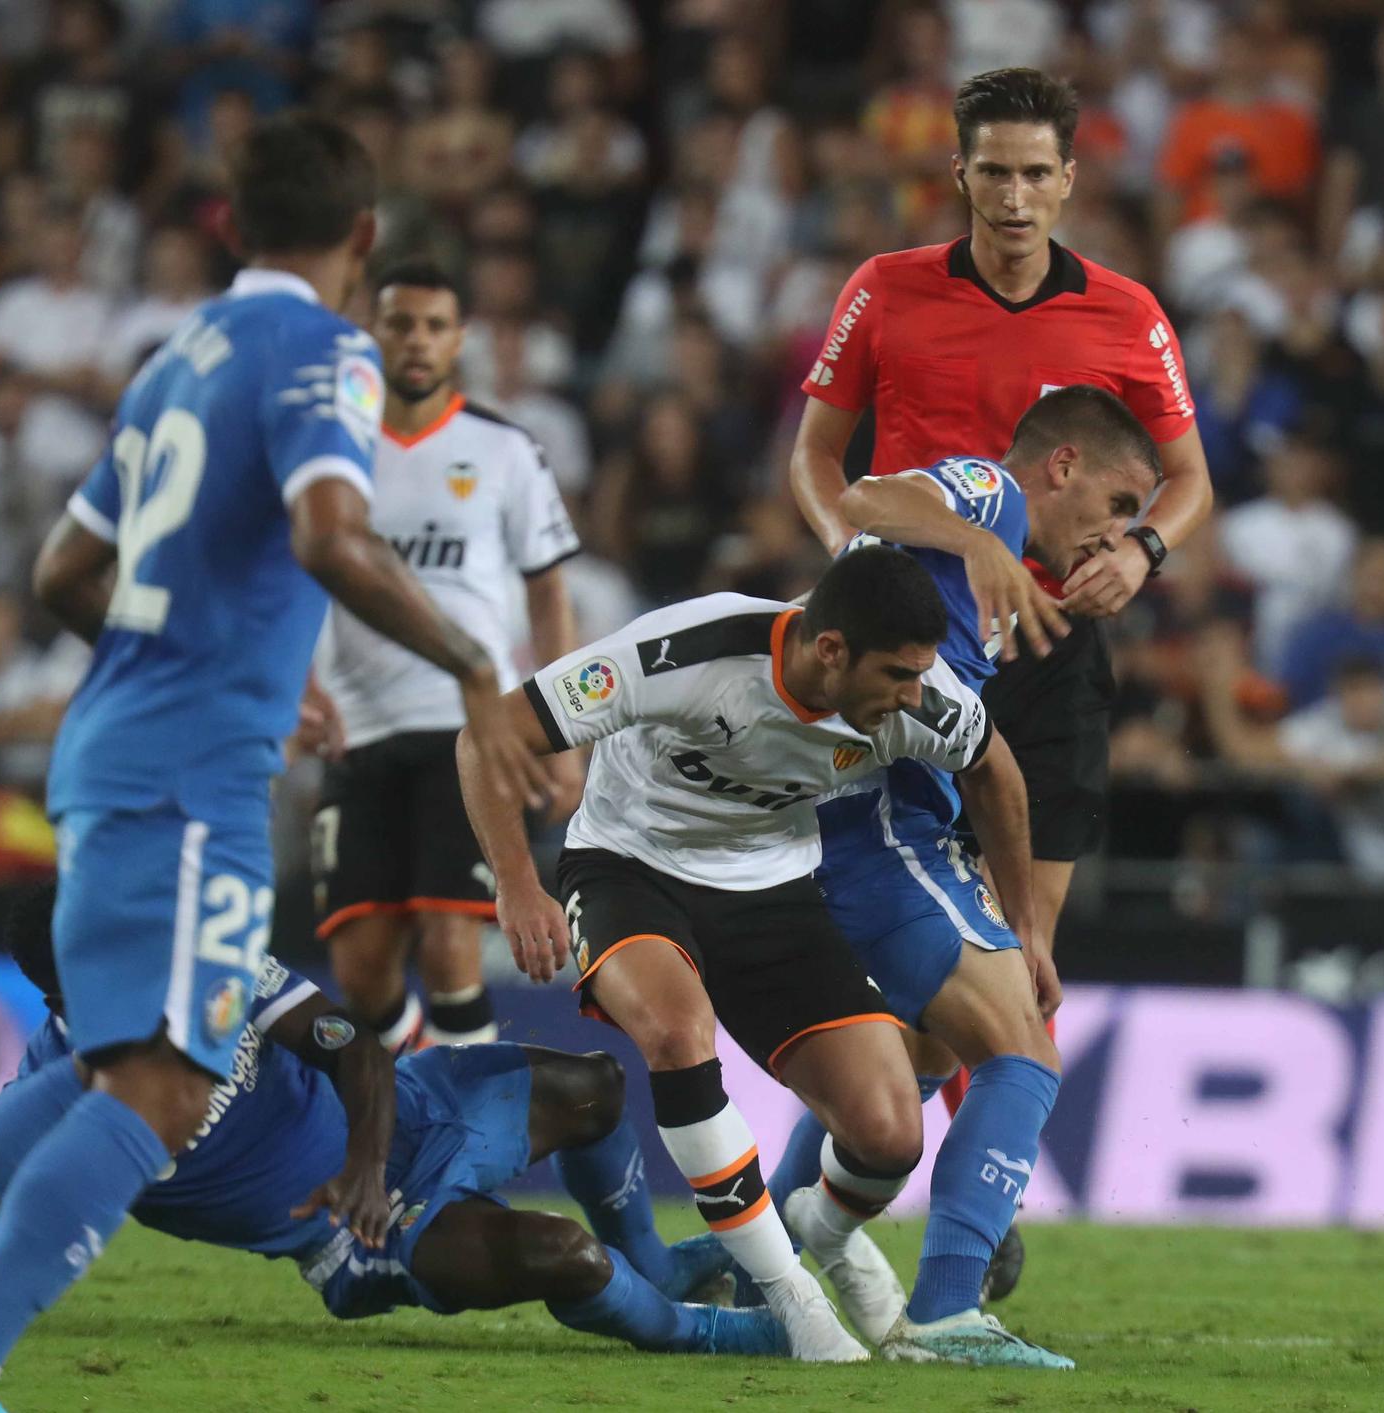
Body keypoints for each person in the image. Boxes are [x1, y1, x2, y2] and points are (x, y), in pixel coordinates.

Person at [0, 114, 542, 1411]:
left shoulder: (175, 355)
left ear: (233, 228)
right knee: (172, 1085)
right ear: (361, 240)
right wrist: (476, 669)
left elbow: (65, 573)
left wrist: (225, 657)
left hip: (114, 744)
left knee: (106, 1063)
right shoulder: (323, 349)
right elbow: (328, 535)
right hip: (192, 775)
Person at [788, 66, 1214, 1303]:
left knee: (1019, 956)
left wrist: (1140, 549)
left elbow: (1185, 478)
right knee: (926, 966)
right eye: (994, 171)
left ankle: (836, 1219)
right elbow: (819, 457)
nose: (1016, 196)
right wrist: (851, 564)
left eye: (1038, 173)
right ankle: (883, 1216)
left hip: (1054, 653)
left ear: (1069, 180)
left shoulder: (1126, 315)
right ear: (959, 175)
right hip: (907, 652)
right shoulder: (885, 290)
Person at [457, 547, 1018, 1365]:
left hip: (772, 887)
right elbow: (488, 736)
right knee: (680, 1035)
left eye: (919, 675)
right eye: (896, 674)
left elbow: (998, 772)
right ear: (831, 651)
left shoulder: (927, 704)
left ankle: (818, 1229)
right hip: (629, 865)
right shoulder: (689, 652)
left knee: (890, 1134)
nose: (912, 694)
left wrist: (1028, 935)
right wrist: (515, 882)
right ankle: (792, 1298)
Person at [0, 886, 767, 1358]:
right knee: (567, 1255)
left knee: (599, 1088)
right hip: (360, 1234)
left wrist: (364, 1160)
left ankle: (655, 1264)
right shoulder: (57, 1097)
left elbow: (354, 1046)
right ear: (70, 985)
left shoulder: (211, 969)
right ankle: (708, 1335)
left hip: (407, 1113)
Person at [765, 386, 1158, 1368]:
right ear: (1061, 467)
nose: (1116, 538)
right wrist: (978, 541)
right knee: (1021, 1052)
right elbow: (861, 500)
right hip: (881, 829)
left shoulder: (990, 572)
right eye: (1119, 507)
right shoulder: (989, 497)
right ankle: (944, 1310)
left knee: (919, 1059)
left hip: (850, 821)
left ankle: (764, 1250)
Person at [311, 259, 582, 1055]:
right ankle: (437, 1095)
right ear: (373, 333)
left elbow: (549, 592)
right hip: (355, 727)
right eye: (400, 324)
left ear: (459, 338)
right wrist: (297, 684)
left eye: (434, 326)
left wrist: (566, 731)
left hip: (469, 729)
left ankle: (473, 1143)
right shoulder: (332, 453)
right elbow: (291, 572)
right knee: (359, 969)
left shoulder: (501, 448)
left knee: (449, 942)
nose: (417, 341)